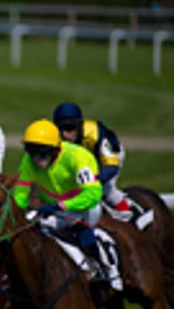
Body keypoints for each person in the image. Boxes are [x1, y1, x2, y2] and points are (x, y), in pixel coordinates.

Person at [13, 119, 110, 280]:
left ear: (55, 149)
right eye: (32, 153)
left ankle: (102, 267)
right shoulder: (28, 162)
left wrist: (60, 206)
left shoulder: (78, 157)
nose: (36, 159)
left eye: (42, 153)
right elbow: (20, 193)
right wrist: (17, 213)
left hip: (85, 209)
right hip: (56, 211)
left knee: (79, 231)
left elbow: (93, 194)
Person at [53, 101, 132, 221]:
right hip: (85, 160)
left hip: (109, 156)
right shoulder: (55, 137)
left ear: (79, 126)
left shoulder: (94, 134)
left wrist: (93, 182)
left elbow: (111, 166)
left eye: (69, 128)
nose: (64, 134)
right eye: (60, 128)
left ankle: (129, 215)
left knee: (106, 190)